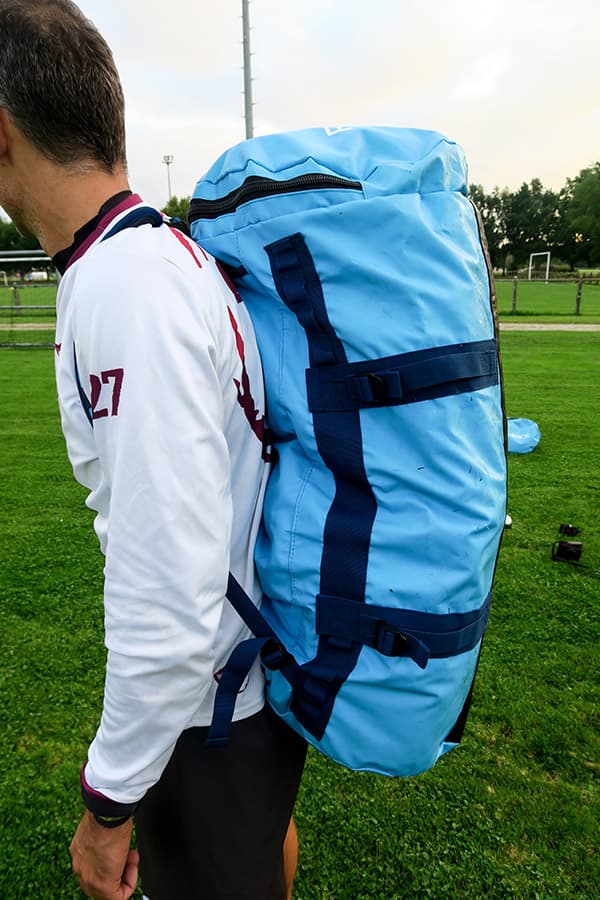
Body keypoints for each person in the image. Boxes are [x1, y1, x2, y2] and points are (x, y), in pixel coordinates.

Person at [0, 2, 306, 898]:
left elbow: (167, 595)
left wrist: (107, 806)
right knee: (262, 847)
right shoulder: (161, 254)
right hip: (242, 689)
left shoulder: (124, 286)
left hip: (210, 712)